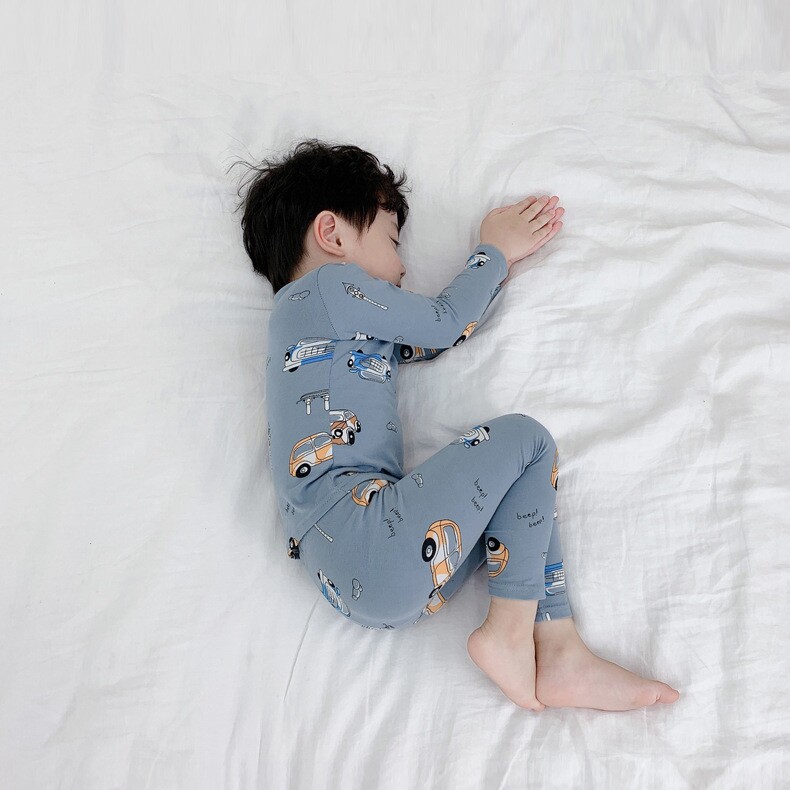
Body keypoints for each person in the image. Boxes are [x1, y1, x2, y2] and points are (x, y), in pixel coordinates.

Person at [232, 138, 681, 712]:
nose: (402, 268)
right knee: (526, 441)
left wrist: (487, 285)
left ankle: (559, 648)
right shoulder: (327, 288)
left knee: (518, 487)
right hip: (369, 536)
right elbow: (444, 321)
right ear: (332, 235)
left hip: (367, 581)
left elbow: (433, 338)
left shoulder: (316, 327)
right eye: (392, 242)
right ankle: (511, 633)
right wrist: (494, 251)